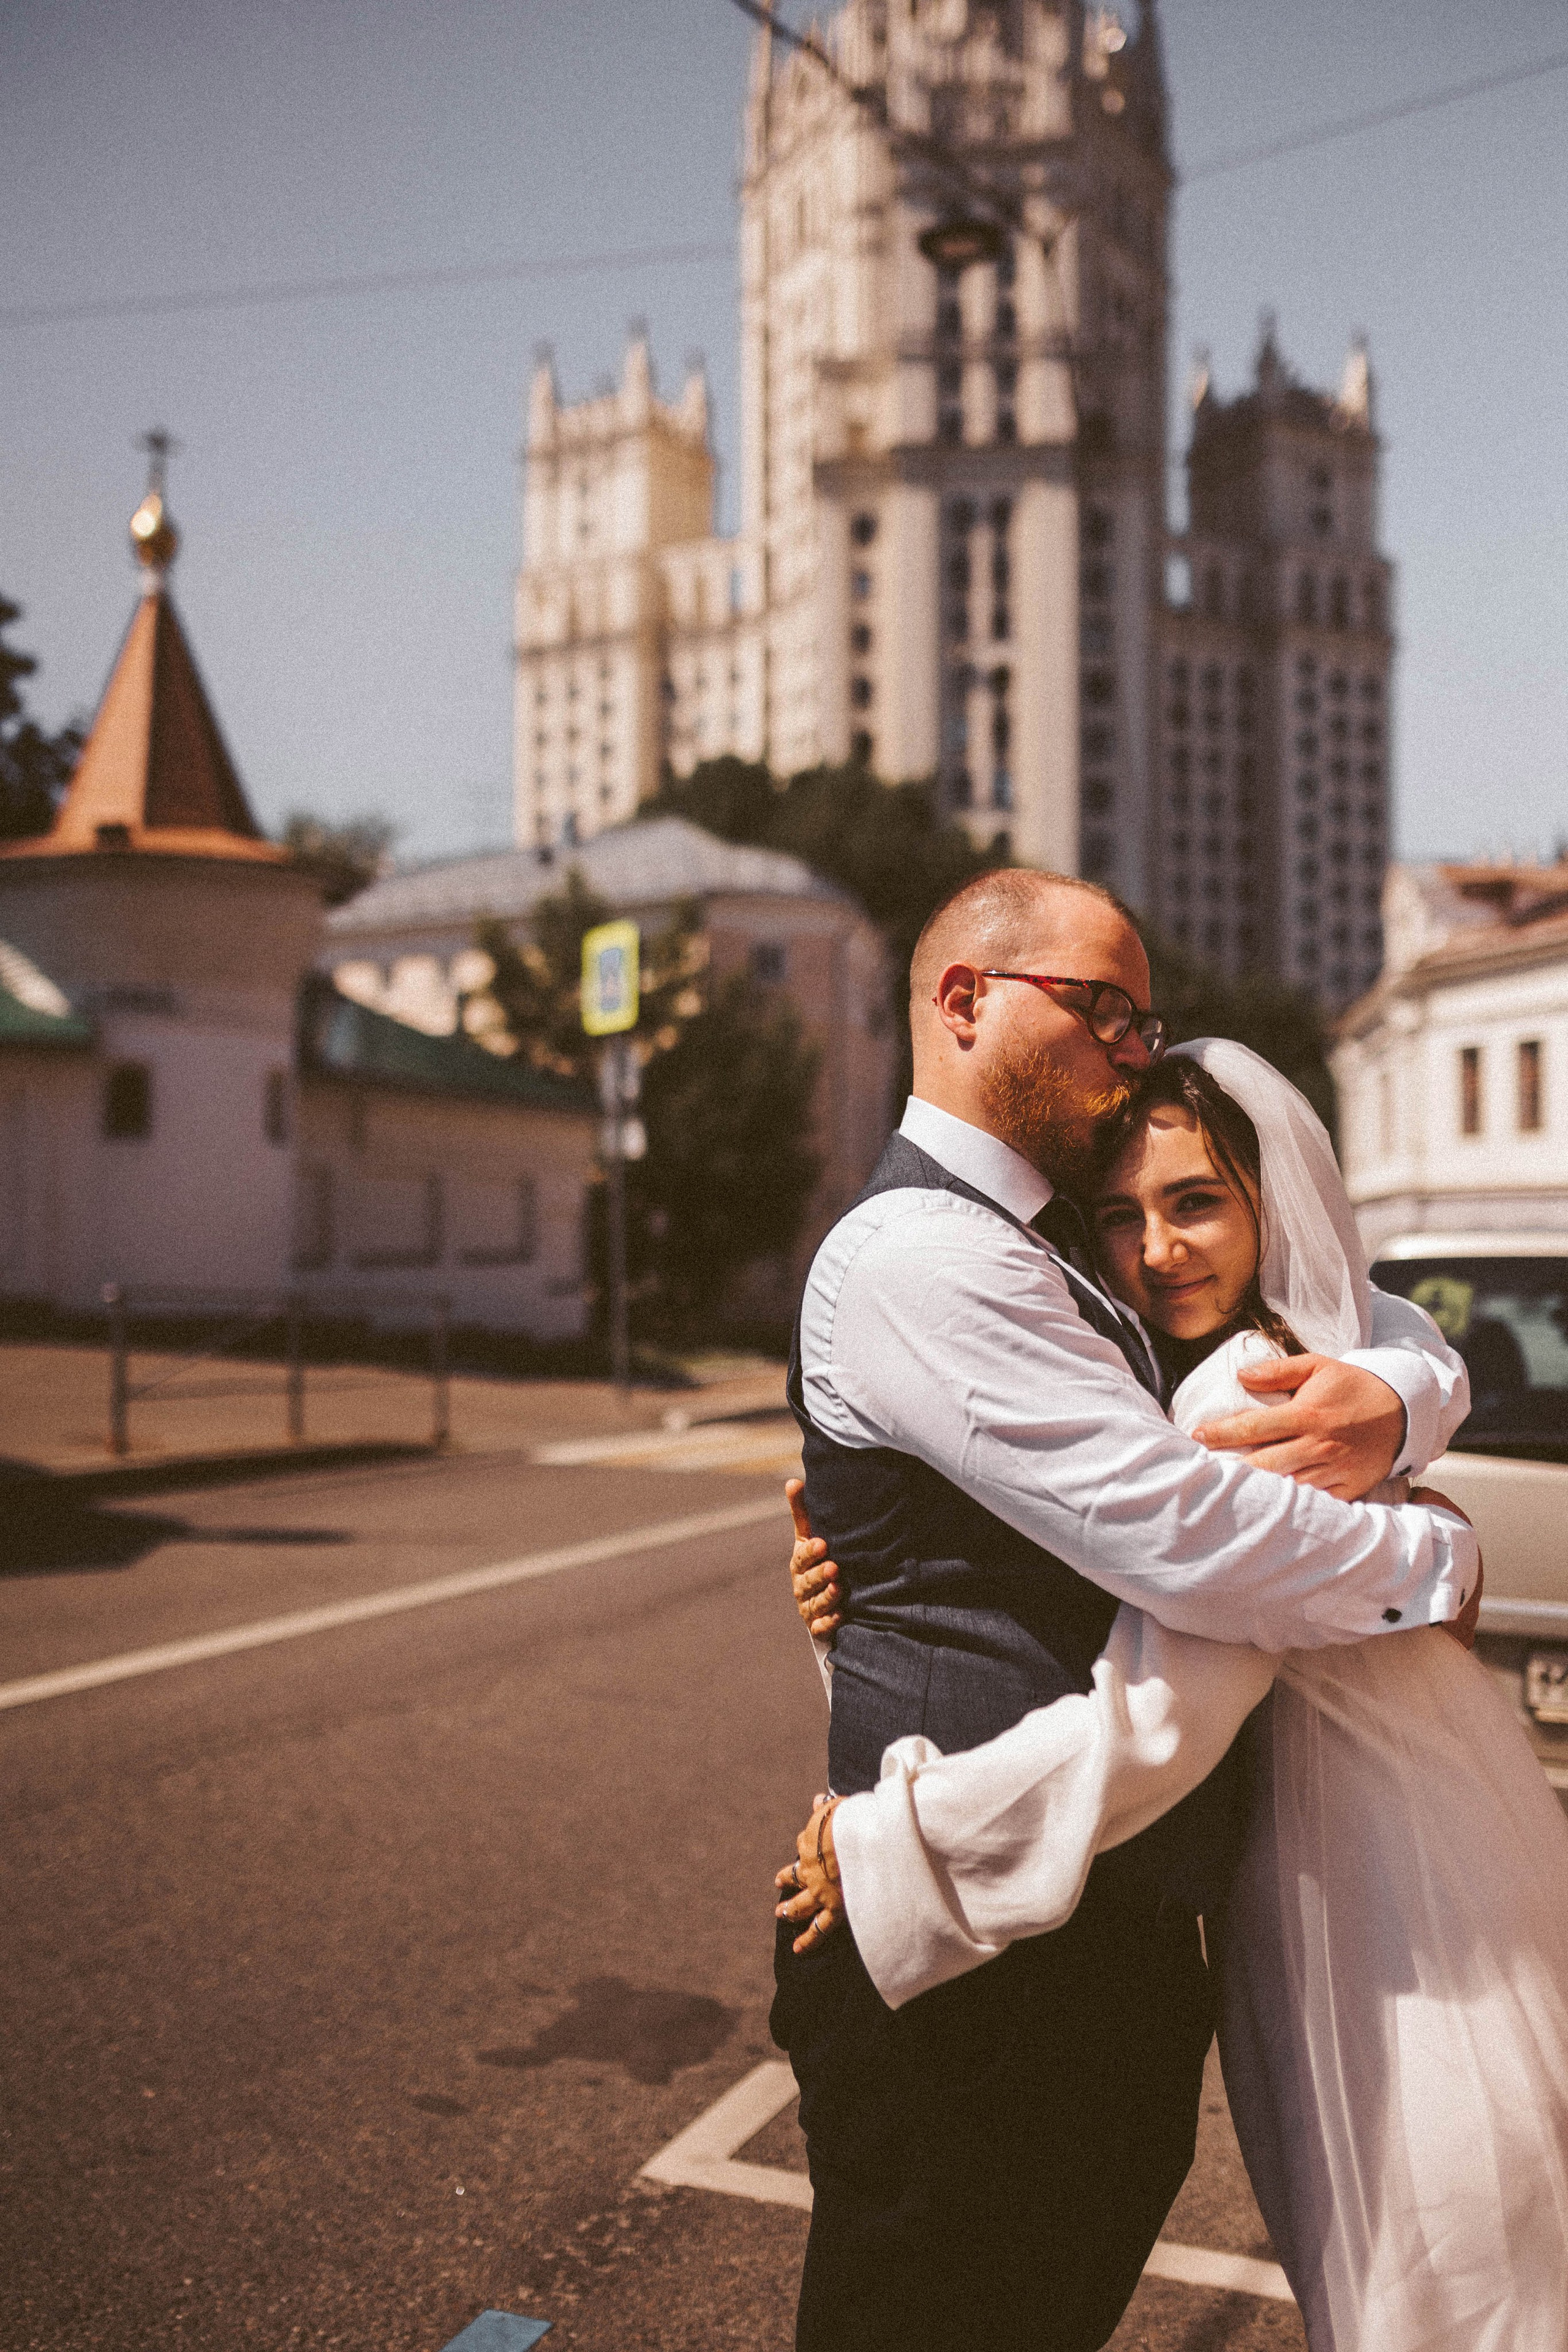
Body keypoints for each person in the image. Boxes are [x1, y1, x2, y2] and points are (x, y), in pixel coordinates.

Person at [768, 867, 1477, 2352]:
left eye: (1141, 1019)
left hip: (1090, 1947)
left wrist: (1405, 1399)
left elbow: (1344, 1317)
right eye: (1099, 1011)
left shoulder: (1051, 1243)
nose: (1133, 1048)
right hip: (975, 1970)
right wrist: (1434, 1564)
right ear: (962, 1001)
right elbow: (1189, 1538)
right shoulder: (925, 1252)